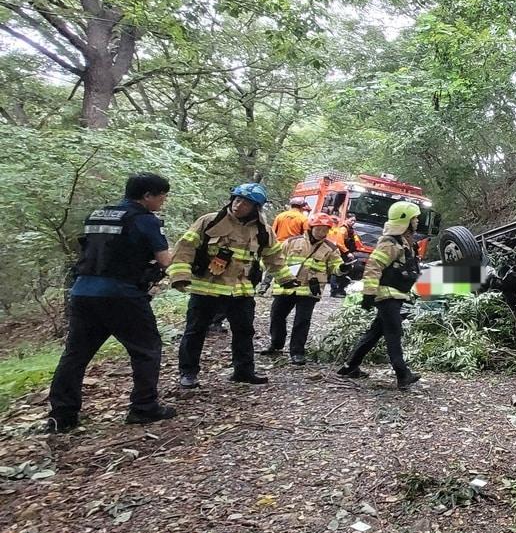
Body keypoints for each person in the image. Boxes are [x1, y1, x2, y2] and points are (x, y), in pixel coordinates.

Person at [45, 173, 177, 433]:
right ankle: (144, 407)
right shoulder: (145, 220)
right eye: (162, 195)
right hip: (122, 294)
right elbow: (165, 261)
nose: (163, 201)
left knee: (76, 354)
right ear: (147, 196)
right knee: (146, 349)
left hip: (83, 291)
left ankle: (62, 415)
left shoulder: (97, 215)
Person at [168, 183, 290, 388]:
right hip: (207, 287)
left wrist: (287, 280)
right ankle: (188, 373)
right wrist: (180, 276)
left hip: (240, 289)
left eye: (245, 203)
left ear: (255, 207)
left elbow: (274, 257)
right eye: (237, 199)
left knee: (244, 331)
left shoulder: (263, 230)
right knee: (195, 331)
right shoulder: (209, 221)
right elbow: (185, 248)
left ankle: (244, 371)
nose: (238, 205)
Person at [338, 200, 422, 388]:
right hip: (386, 295)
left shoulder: (403, 241)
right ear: (405, 220)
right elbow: (373, 267)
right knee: (394, 333)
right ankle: (402, 374)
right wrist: (368, 294)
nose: (417, 221)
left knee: (375, 333)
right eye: (414, 218)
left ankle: (349, 366)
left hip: (395, 295)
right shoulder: (389, 243)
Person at [262, 212, 342, 365]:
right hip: (287, 286)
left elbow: (335, 267)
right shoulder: (292, 242)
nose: (322, 233)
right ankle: (276, 343)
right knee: (277, 315)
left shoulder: (331, 248)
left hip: (309, 290)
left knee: (302, 320)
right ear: (311, 228)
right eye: (319, 229)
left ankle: (297, 352)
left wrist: (343, 269)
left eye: (325, 230)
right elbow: (275, 259)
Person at [327, 215, 361, 298]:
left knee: (347, 272)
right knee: (337, 272)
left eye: (354, 221)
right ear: (346, 219)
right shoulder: (343, 229)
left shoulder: (350, 230)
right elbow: (339, 243)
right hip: (342, 254)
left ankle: (340, 289)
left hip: (346, 254)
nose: (353, 222)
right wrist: (347, 252)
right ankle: (334, 290)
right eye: (351, 220)